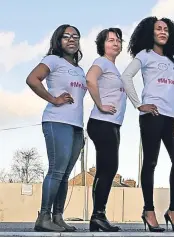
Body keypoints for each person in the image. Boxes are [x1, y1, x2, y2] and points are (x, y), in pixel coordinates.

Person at [121, 16, 174, 232]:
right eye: (158, 29)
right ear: (151, 33)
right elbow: (126, 76)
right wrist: (139, 105)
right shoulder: (144, 55)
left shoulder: (172, 62)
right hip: (152, 115)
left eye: (166, 29)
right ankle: (148, 210)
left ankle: (173, 210)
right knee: (150, 162)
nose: (162, 32)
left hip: (170, 118)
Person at [26, 24, 86, 232]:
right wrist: (53, 99)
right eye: (66, 36)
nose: (71, 39)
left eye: (75, 36)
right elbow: (32, 79)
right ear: (58, 41)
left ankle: (58, 217)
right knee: (56, 170)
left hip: (76, 126)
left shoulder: (79, 70)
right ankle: (43, 217)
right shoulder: (52, 60)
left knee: (65, 173)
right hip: (57, 121)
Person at [85, 28, 126, 232]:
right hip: (102, 122)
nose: (116, 43)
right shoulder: (101, 62)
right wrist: (100, 105)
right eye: (111, 40)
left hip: (111, 124)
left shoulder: (113, 67)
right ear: (103, 44)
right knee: (108, 168)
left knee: (105, 169)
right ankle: (98, 215)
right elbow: (90, 79)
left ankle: (97, 217)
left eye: (118, 40)